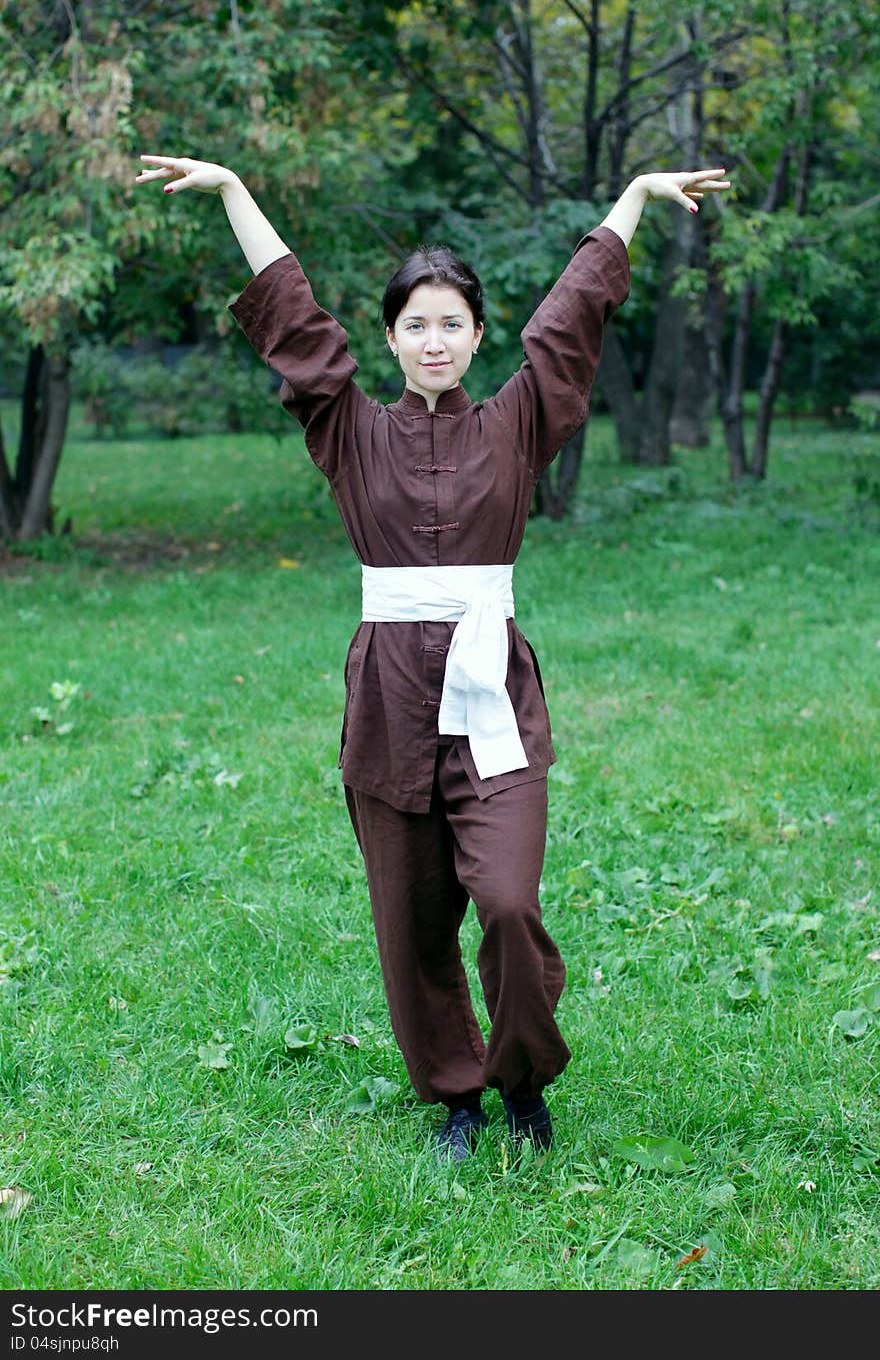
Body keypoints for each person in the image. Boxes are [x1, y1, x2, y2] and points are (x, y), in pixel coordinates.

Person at [135, 154, 730, 1161]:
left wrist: (630, 201)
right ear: (392, 339)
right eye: (416, 323)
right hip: (389, 704)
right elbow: (294, 320)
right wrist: (238, 190)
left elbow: (571, 319)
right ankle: (456, 1095)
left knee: (505, 899)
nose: (434, 338)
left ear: (476, 335)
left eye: (452, 321)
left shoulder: (516, 421)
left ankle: (523, 1075)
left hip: (493, 694)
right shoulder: (351, 431)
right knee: (411, 925)